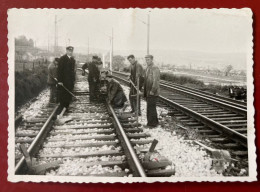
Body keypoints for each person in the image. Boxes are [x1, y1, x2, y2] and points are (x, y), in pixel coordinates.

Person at [143, 55, 160, 127]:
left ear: (152, 60)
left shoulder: (155, 68)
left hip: (153, 92)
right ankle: (154, 123)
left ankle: (152, 124)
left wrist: (152, 90)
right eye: (146, 60)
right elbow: (146, 79)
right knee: (150, 107)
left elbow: (156, 81)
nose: (147, 61)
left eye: (148, 60)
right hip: (148, 91)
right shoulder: (147, 68)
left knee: (151, 108)